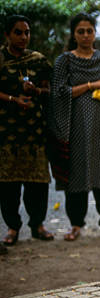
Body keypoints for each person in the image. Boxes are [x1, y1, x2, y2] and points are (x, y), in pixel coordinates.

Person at [50, 13, 100, 241]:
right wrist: (90, 85)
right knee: (76, 176)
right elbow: (59, 93)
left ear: (95, 33)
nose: (85, 35)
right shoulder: (65, 61)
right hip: (75, 130)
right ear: (73, 34)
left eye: (89, 31)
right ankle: (75, 225)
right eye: (80, 31)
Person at [0, 15, 54, 246]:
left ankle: (38, 225)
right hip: (7, 133)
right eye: (18, 32)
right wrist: (13, 98)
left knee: (38, 184)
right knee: (8, 184)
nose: (23, 37)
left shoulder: (38, 60)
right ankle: (12, 227)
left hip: (34, 133)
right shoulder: (1, 59)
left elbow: (51, 91)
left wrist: (36, 92)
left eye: (27, 32)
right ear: (7, 35)